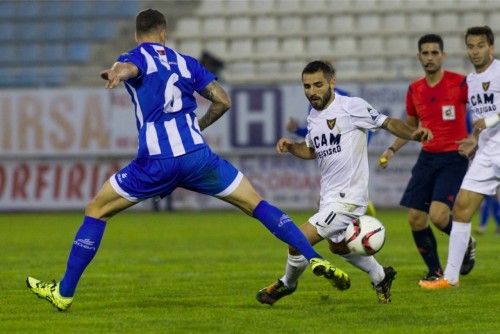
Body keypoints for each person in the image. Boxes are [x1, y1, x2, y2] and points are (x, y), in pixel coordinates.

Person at [25, 9, 344, 311]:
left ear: (138, 36)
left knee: (96, 211)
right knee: (256, 204)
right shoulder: (186, 63)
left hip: (155, 161)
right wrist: (197, 126)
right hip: (198, 158)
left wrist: (117, 73)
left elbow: (131, 69)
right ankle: (311, 255)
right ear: (163, 33)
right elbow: (223, 100)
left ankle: (64, 293)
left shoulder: (134, 56)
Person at [256, 60, 433, 305]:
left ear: (332, 82)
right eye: (307, 86)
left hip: (348, 199)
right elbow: (311, 150)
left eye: (318, 85)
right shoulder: (314, 116)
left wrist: (412, 134)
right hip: (329, 197)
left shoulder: (352, 107)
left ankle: (286, 284)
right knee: (338, 247)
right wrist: (291, 147)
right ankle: (380, 276)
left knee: (296, 239)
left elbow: (388, 122)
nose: (312, 91)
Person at [378, 34, 475, 282]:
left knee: (439, 216)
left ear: (443, 55)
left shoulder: (460, 84)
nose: (430, 57)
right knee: (415, 218)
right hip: (427, 158)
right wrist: (391, 150)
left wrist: (476, 137)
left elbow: (484, 109)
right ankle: (435, 271)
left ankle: (465, 241)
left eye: (434, 52)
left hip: (454, 157)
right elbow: (410, 126)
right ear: (419, 56)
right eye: (425, 53)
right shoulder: (415, 89)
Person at [420, 26, 500, 289]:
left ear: (491, 47)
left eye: (480, 46)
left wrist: (487, 122)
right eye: (470, 46)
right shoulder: (471, 81)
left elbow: (486, 118)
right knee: (462, 208)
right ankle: (450, 279)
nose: (475, 51)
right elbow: (478, 121)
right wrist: (475, 140)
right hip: (487, 152)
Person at [286, 87, 377, 217]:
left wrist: (360, 146)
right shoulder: (315, 103)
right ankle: (360, 217)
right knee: (327, 201)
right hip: (331, 153)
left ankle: (362, 211)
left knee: (326, 201)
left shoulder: (342, 98)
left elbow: (365, 123)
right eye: (307, 85)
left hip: (343, 153)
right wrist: (297, 130)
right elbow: (318, 133)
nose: (311, 89)